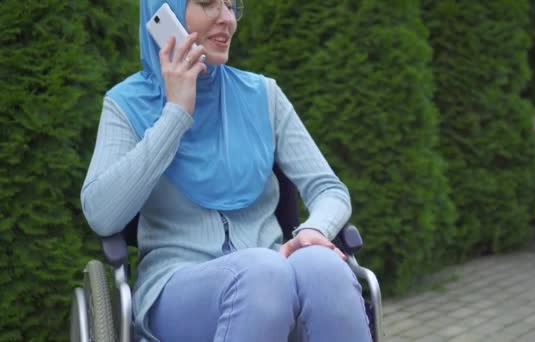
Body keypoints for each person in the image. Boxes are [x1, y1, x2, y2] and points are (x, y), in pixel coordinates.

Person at [81, 0, 371, 341]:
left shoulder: (263, 95)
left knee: (325, 267)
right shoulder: (125, 104)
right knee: (264, 272)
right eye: (208, 4)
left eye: (232, 6)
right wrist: (175, 113)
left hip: (271, 269)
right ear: (164, 12)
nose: (227, 19)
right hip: (178, 287)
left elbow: (329, 190)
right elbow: (102, 215)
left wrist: (313, 230)